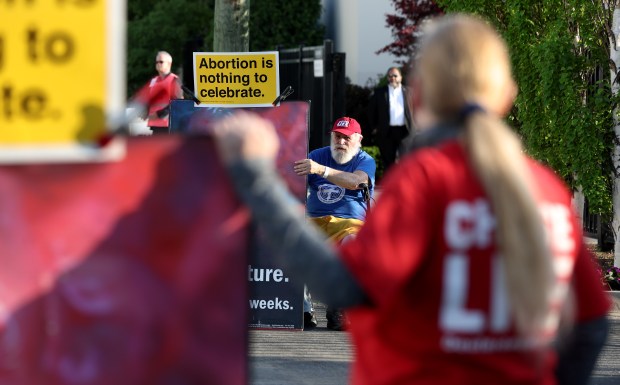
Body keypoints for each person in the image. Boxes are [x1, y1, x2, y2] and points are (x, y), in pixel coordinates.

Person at [210, 14, 610, 385]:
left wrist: (255, 179)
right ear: (507, 96)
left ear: (417, 98)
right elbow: (592, 323)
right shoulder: (546, 191)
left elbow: (343, 285)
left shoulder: (425, 181)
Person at [293, 116, 376, 330]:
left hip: (348, 222)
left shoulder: (364, 160)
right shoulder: (316, 155)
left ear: (359, 139)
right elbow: (292, 180)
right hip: (314, 220)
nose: (341, 142)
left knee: (354, 242)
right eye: (337, 136)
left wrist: (322, 170)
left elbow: (357, 181)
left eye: (347, 138)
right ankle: (302, 309)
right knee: (292, 238)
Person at [367, 66, 413, 173]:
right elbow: (370, 111)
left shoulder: (410, 92)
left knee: (406, 159)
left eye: (395, 76)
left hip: (405, 131)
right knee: (388, 161)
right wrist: (374, 127)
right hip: (386, 131)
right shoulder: (380, 93)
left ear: (401, 77)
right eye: (390, 76)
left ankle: (405, 183)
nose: (393, 78)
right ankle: (391, 185)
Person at [145, 51, 183, 134]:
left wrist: (158, 114)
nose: (158, 64)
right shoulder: (154, 80)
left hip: (168, 125)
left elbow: (177, 103)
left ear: (169, 64)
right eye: (157, 62)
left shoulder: (174, 80)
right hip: (155, 125)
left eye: (161, 62)